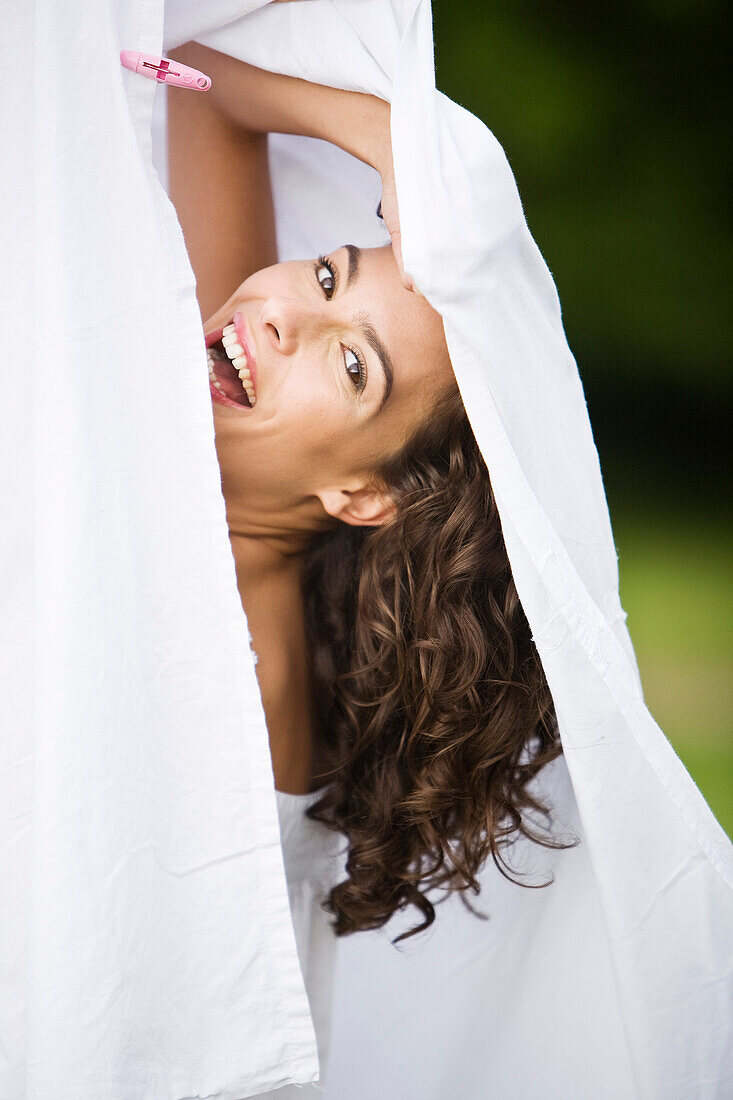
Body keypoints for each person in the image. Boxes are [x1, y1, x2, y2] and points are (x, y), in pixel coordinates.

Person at [168, 42, 569, 1089]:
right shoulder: (222, 421)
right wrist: (392, 139)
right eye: (330, 268)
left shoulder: (237, 667)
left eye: (351, 365)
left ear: (363, 493)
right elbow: (195, 85)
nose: (284, 315)